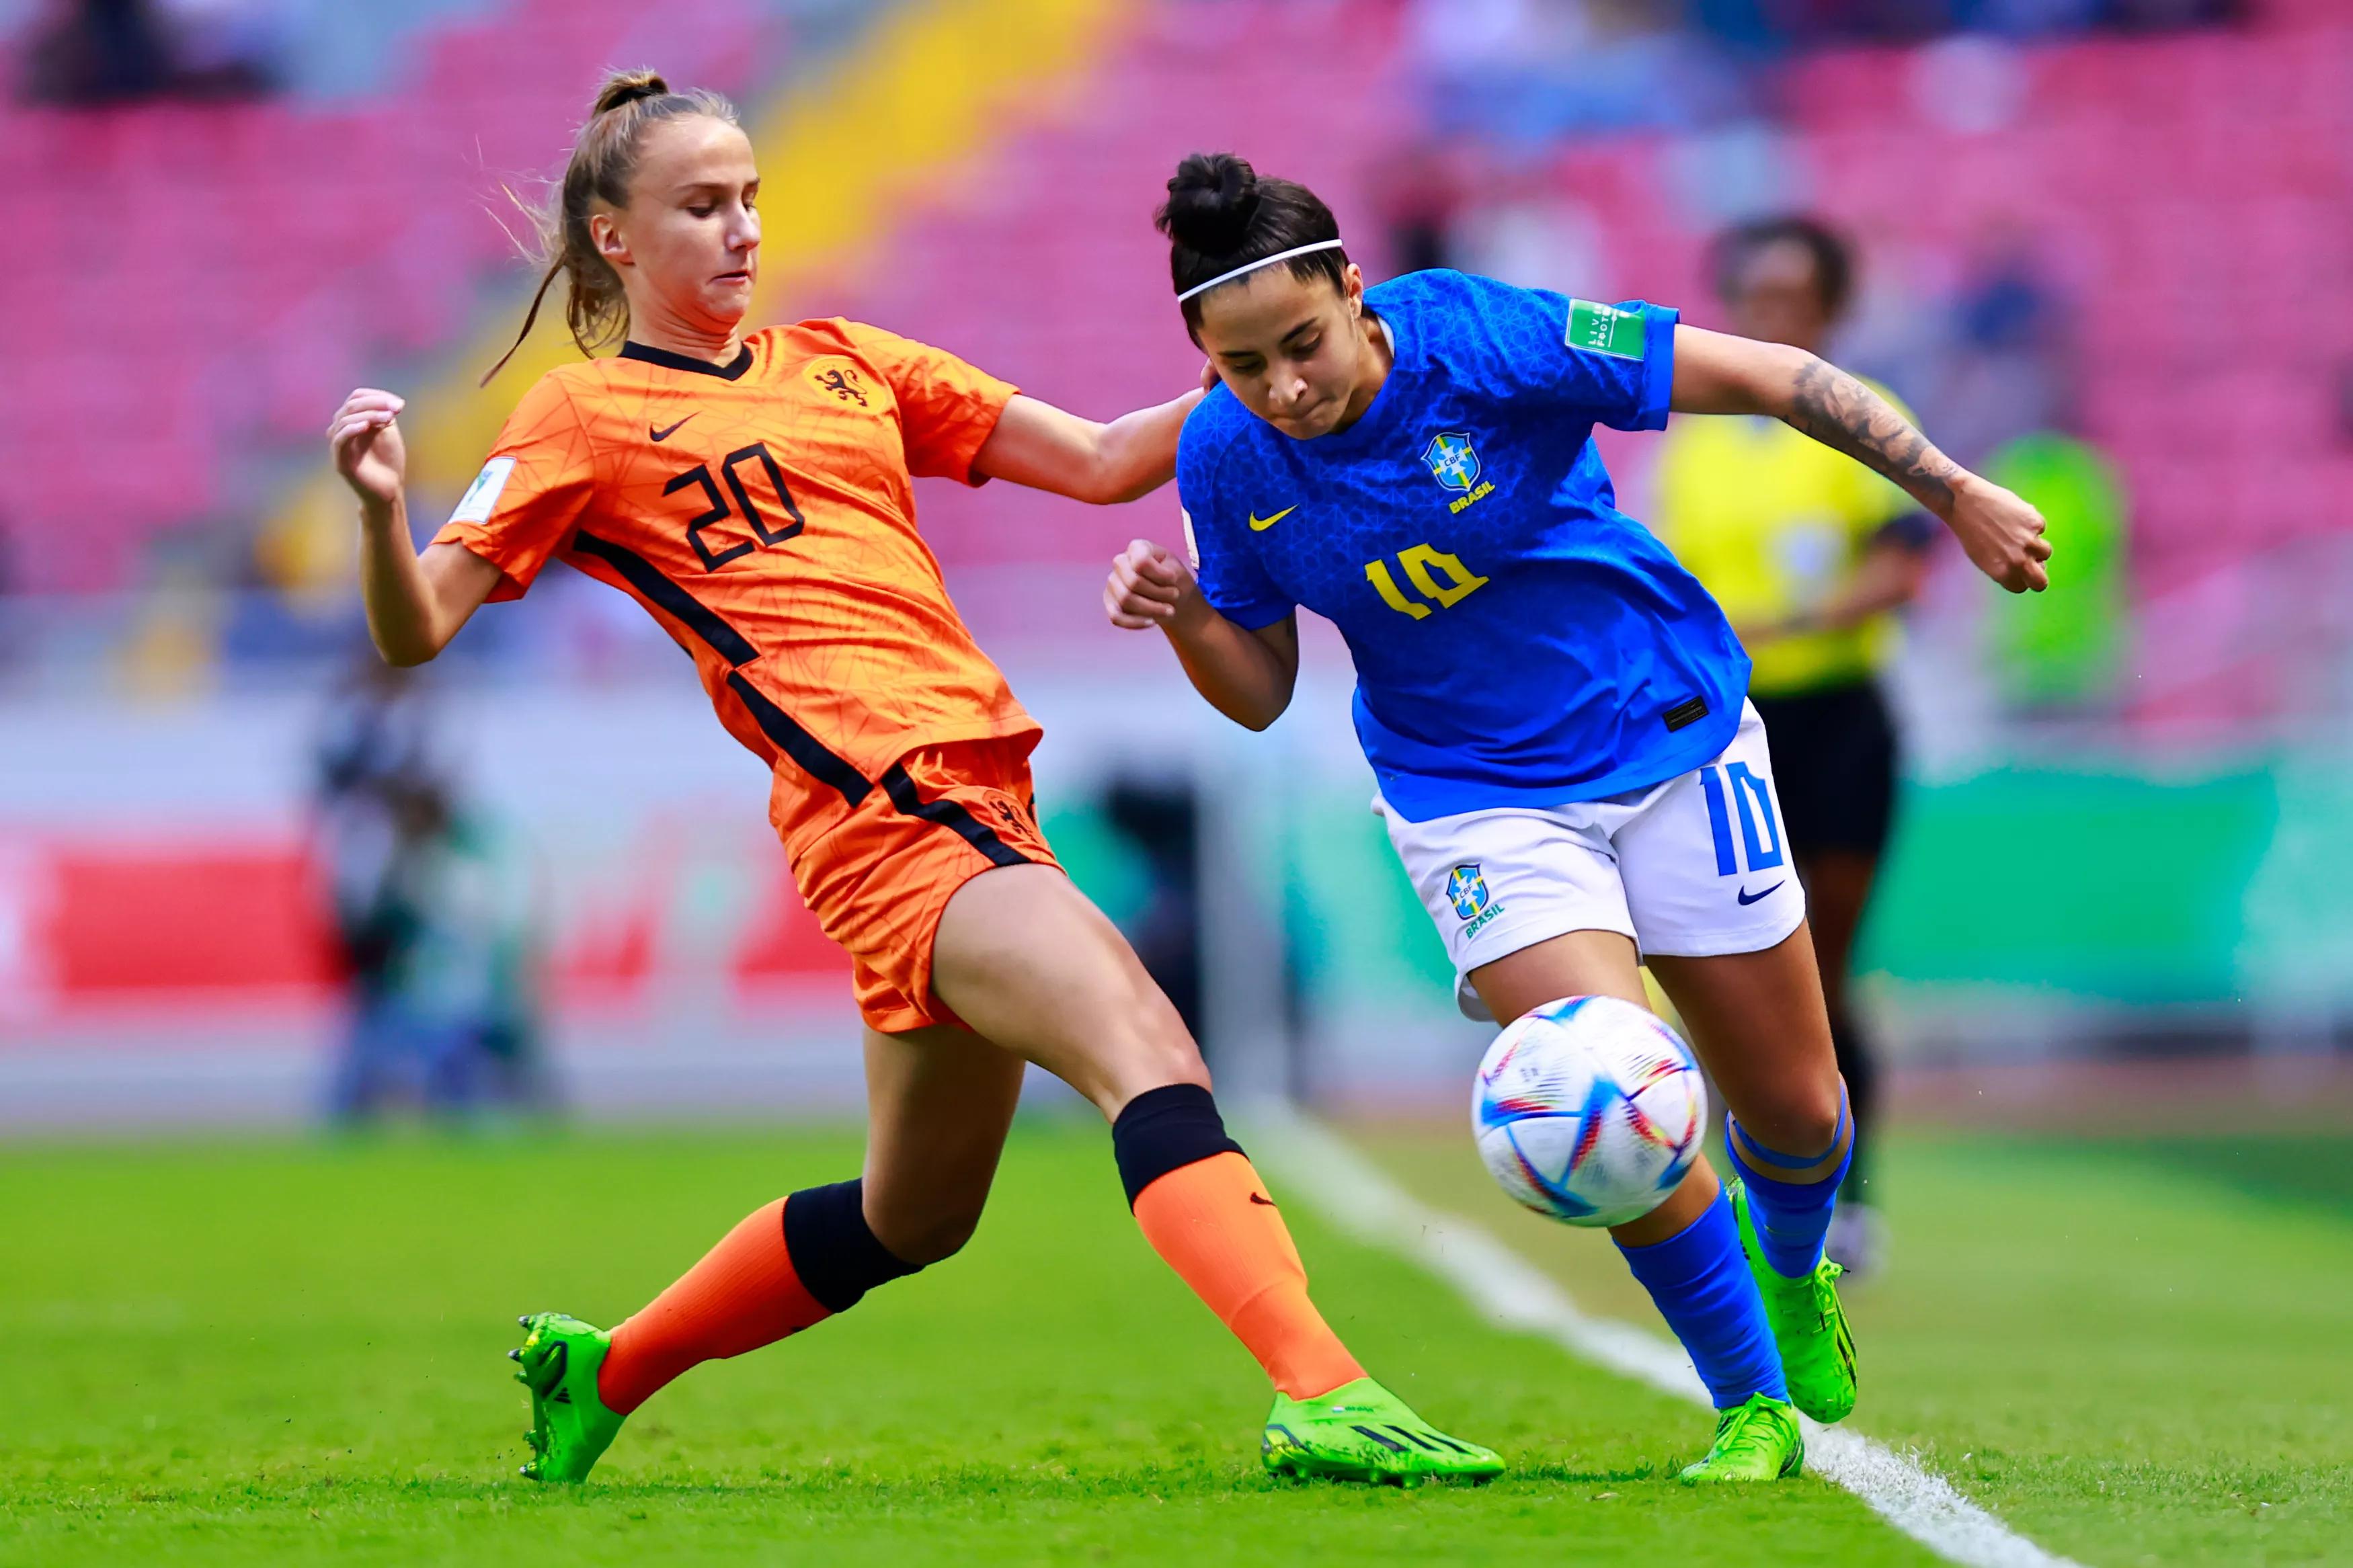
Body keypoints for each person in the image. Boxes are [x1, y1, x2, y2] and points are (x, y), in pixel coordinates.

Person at [325, 75, 1503, 1489]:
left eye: (752, 195)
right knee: (1152, 1052)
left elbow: (1101, 459)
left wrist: (1261, 352)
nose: (744, 228)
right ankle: (1323, 1388)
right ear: (614, 237)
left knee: (912, 1216)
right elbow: (417, 628)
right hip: (887, 811)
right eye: (702, 206)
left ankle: (607, 1368)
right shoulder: (580, 417)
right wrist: (385, 510)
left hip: (966, 800)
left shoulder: (843, 359)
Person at [1104, 154, 2048, 1483]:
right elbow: (1259, 693)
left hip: (1667, 731)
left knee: (1798, 1110)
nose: (1286, 390)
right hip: (1471, 796)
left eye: (1301, 347)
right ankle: (1750, 1410)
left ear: (1356, 296)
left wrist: (1950, 490)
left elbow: (1768, 376)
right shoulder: (1224, 456)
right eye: (1245, 366)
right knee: (1598, 1087)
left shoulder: (1484, 337)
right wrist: (1190, 616)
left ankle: (1792, 1271)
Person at [1647, 216, 1933, 1276]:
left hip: (1843, 721)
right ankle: (1746, 1186)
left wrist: (1790, 622)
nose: (1775, 314)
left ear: (1829, 307)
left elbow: (1903, 568)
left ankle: (1847, 1200)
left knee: (1823, 970)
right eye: (1757, 295)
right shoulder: (1701, 441)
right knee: (1735, 973)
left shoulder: (1864, 419)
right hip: (1734, 736)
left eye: (1795, 296)